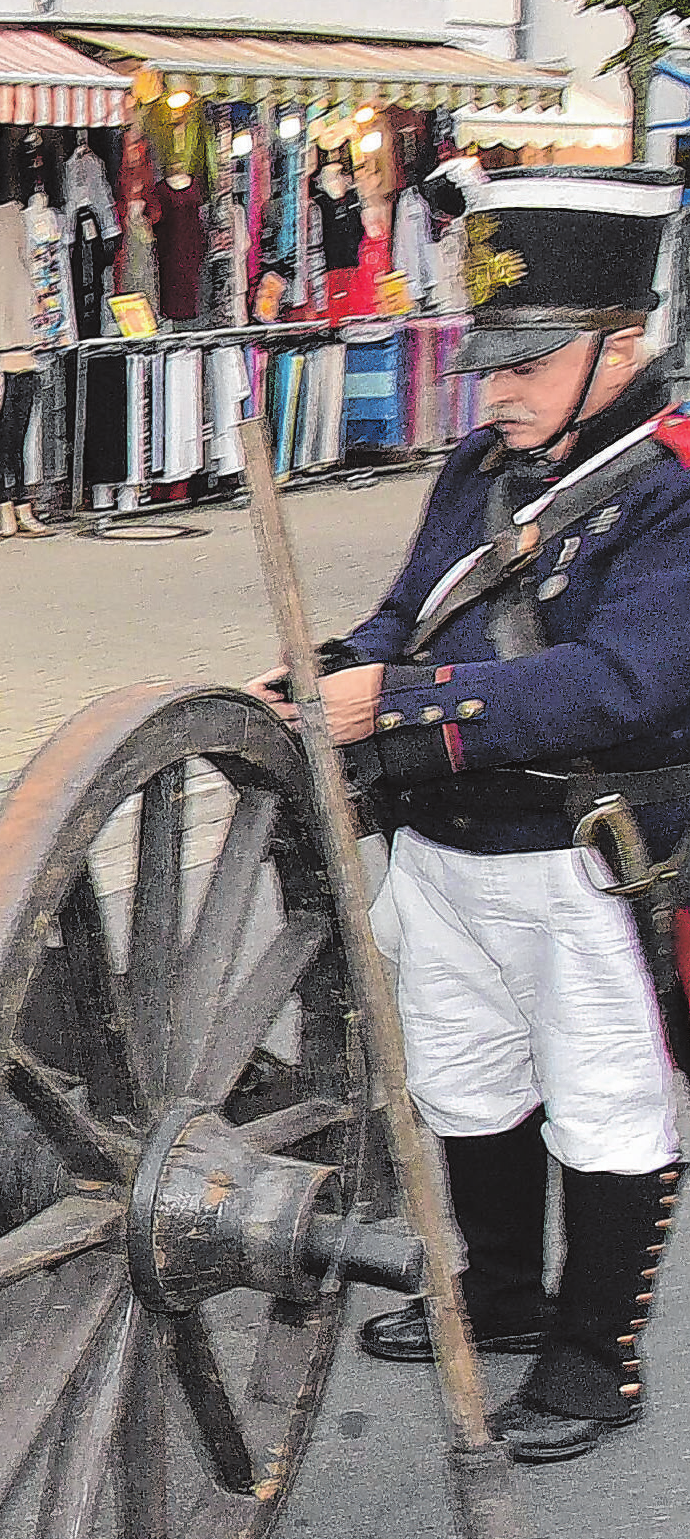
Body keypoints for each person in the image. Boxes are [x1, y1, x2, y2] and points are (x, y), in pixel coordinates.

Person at [250, 164, 690, 1463]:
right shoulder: (483, 465)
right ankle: (502, 1296)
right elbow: (408, 614)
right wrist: (325, 670)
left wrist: (401, 698)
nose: (495, 388)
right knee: (467, 1080)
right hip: (451, 839)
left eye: (528, 360)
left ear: (626, 342)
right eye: (490, 359)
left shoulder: (670, 485)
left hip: (589, 854)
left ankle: (593, 1360)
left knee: (606, 1099)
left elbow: (619, 683)